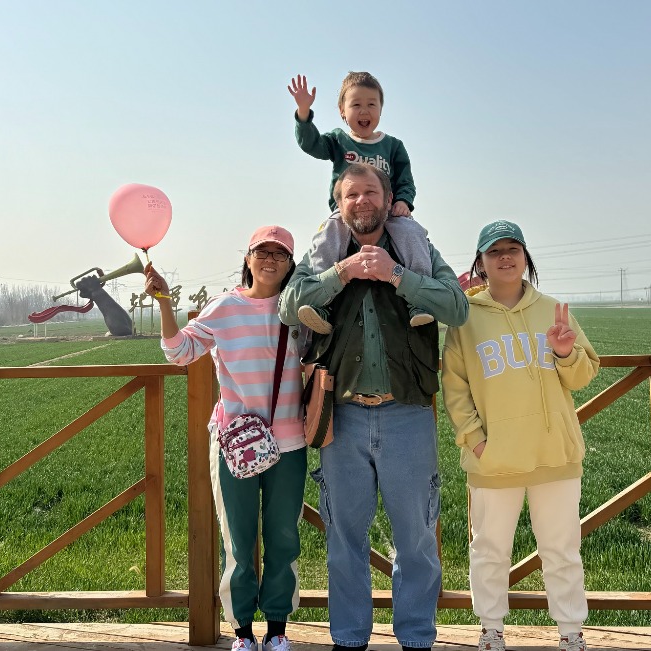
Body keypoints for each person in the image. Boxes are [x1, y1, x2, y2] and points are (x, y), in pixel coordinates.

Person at [278, 163, 469, 651]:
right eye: (350, 195)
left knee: (417, 542)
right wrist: (341, 274)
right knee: (345, 542)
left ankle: (416, 639)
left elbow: (457, 306)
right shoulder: (327, 252)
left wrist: (397, 276)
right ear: (338, 205)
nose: (361, 201)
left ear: (388, 200)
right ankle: (348, 639)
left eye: (370, 192)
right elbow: (289, 303)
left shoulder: (416, 251)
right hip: (341, 419)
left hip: (407, 413)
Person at [440, 220, 600, 651]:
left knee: (562, 549)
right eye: (495, 252)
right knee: (489, 549)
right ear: (480, 264)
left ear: (527, 258)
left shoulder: (553, 309)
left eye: (513, 249)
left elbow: (584, 375)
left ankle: (571, 631)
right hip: (494, 459)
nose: (505, 257)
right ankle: (491, 628)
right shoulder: (464, 319)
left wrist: (565, 352)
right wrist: (476, 441)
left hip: (554, 453)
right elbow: (454, 389)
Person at [148, 226, 306, 651]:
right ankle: (242, 631)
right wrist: (165, 303)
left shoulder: (300, 308)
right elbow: (180, 351)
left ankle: (277, 629)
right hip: (236, 444)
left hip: (290, 442)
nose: (270, 259)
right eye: (262, 251)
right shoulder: (225, 307)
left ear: (291, 264)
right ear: (248, 258)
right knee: (237, 539)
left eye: (280, 254)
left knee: (283, 538)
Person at [288, 71, 434, 334]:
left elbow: (405, 180)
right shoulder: (338, 141)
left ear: (380, 109)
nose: (364, 110)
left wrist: (404, 202)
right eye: (356, 104)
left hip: (386, 214)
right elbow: (311, 144)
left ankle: (419, 299)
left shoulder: (393, 145)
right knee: (326, 238)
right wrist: (303, 113)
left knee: (414, 233)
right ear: (343, 112)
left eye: (371, 104)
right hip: (346, 216)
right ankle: (322, 303)